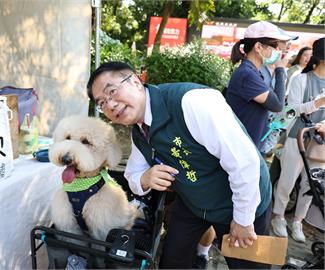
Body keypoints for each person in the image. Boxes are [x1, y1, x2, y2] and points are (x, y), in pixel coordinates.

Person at [87, 61, 272, 269]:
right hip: (193, 201)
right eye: (101, 103)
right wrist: (145, 177)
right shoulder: (139, 131)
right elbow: (132, 174)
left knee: (249, 266)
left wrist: (244, 219)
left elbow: (244, 163)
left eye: (112, 92)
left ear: (137, 82)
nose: (109, 105)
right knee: (172, 261)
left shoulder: (193, 102)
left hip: (242, 201)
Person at [272, 37, 325, 243]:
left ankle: (298, 221)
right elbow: (292, 109)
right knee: (288, 179)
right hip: (298, 136)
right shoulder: (301, 79)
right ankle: (278, 216)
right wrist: (317, 103)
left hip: (320, 140)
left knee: (311, 184)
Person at [226, 21, 290, 149]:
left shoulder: (253, 71)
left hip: (249, 144)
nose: (278, 51)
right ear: (258, 47)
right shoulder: (247, 74)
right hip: (242, 147)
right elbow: (277, 105)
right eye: (274, 46)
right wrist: (280, 69)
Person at [259, 25, 297, 154]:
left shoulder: (280, 69)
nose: (288, 46)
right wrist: (280, 69)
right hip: (255, 134)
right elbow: (276, 104)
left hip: (268, 136)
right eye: (284, 42)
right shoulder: (258, 70)